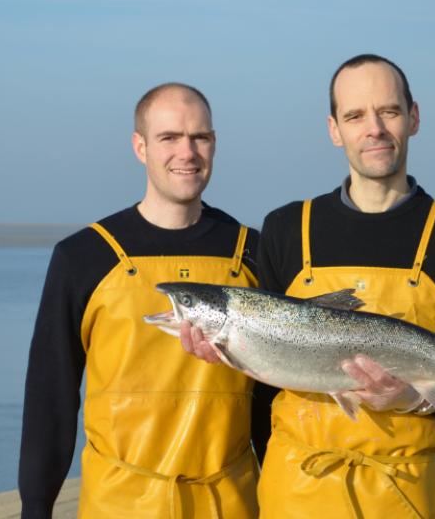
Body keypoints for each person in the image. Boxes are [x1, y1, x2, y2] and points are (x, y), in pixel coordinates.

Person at [183, 54, 435, 518]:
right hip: (293, 491)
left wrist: (410, 400)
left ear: (413, 118)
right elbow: (265, 386)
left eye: (389, 112)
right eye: (355, 115)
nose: (373, 128)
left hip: (402, 495)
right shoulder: (285, 228)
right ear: (334, 129)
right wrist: (226, 356)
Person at [18, 83, 267, 519]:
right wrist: (37, 506)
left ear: (214, 145)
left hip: (230, 502)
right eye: (169, 138)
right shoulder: (84, 256)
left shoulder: (253, 254)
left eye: (200, 138)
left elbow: (272, 396)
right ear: (140, 147)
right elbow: (50, 395)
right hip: (118, 503)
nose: (186, 152)